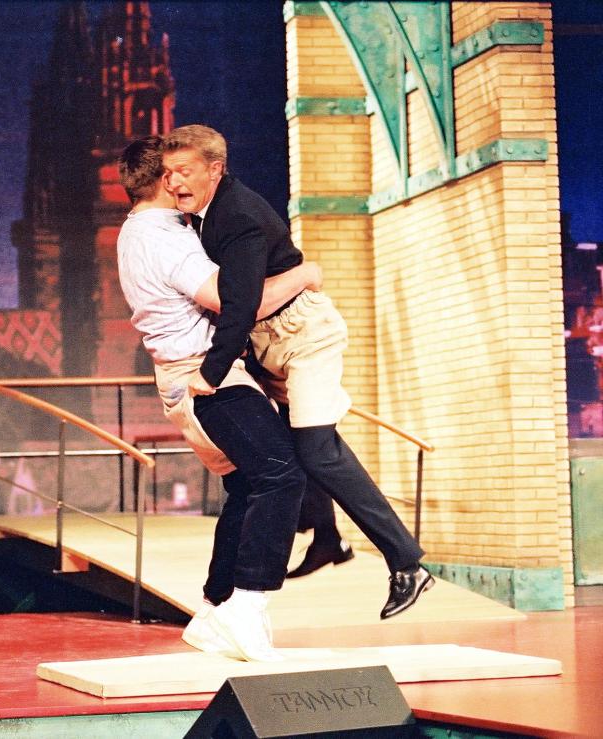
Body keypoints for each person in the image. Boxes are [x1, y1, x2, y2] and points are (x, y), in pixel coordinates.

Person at [161, 124, 433, 619]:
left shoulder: (238, 216)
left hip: (305, 337)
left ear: (215, 169)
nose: (174, 182)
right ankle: (327, 538)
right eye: (167, 173)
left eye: (183, 171)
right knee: (290, 446)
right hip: (268, 344)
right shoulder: (199, 216)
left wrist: (213, 372)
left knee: (317, 449)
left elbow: (241, 303)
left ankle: (407, 563)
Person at [117, 136, 320, 661]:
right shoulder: (165, 237)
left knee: (249, 485)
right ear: (163, 179)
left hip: (185, 375)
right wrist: (303, 275)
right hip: (206, 377)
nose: (183, 182)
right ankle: (246, 607)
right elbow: (236, 303)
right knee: (282, 475)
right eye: (175, 172)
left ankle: (214, 610)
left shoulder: (137, 230)